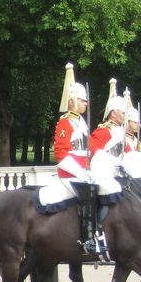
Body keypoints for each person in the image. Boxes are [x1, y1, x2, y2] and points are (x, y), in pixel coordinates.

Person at [49, 63, 102, 255]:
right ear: (71, 102)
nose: (85, 104)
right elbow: (61, 153)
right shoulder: (65, 122)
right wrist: (80, 172)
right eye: (82, 101)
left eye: (85, 101)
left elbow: (91, 147)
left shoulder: (80, 122)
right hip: (70, 173)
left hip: (84, 170)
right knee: (88, 194)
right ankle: (87, 239)